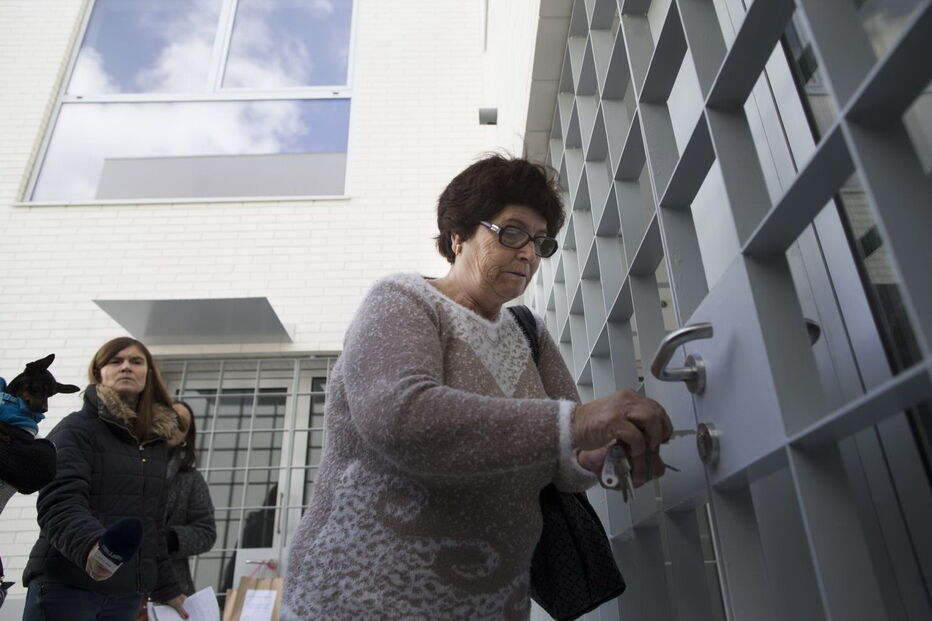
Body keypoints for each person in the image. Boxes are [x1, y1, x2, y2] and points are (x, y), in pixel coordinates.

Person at [282, 154, 673, 619]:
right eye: (512, 232)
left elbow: (566, 463)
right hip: (362, 598)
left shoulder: (529, 331)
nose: (528, 253)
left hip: (491, 604)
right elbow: (402, 417)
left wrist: (600, 451)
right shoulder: (403, 301)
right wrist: (578, 422)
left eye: (540, 242)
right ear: (458, 235)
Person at [23, 337, 189, 620]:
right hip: (68, 589)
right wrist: (93, 550)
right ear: (99, 372)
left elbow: (152, 526)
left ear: (148, 374)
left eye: (136, 361)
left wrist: (168, 588)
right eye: (116, 361)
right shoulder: (77, 429)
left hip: (126, 597)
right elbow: (59, 503)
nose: (126, 367)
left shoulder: (154, 445)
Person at [162, 401, 216, 595]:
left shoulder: (191, 479)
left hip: (171, 583)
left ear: (186, 436)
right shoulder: (127, 463)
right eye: (169, 417)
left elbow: (206, 532)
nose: (173, 426)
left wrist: (171, 539)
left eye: (181, 423)